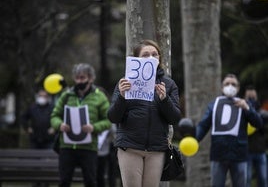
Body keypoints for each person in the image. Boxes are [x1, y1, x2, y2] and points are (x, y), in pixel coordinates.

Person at [107, 39, 181, 187]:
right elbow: (113, 117)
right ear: (137, 59)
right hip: (130, 148)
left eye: (155, 54)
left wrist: (164, 99)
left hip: (156, 149)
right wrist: (122, 96)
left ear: (160, 58)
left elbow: (175, 118)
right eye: (145, 55)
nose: (151, 58)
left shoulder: (169, 84)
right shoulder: (125, 83)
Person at [195, 74, 263, 187]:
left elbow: (258, 123)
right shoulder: (214, 105)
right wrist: (194, 139)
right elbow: (203, 125)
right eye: (227, 84)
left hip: (239, 155)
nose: (230, 86)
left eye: (233, 84)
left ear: (238, 88)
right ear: (222, 88)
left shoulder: (244, 104)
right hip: (218, 154)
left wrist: (247, 108)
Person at [50, 63, 111, 187]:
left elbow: (109, 120)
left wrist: (94, 127)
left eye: (82, 78)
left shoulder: (99, 96)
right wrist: (59, 125)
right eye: (77, 78)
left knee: (90, 182)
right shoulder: (67, 95)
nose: (79, 81)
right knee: (64, 181)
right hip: (67, 147)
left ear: (91, 78)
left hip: (89, 148)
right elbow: (54, 116)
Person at [245, 86, 268, 187]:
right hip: (247, 151)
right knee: (247, 179)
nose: (251, 98)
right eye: (249, 97)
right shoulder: (242, 112)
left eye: (253, 96)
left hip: (260, 151)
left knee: (263, 179)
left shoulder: (261, 112)